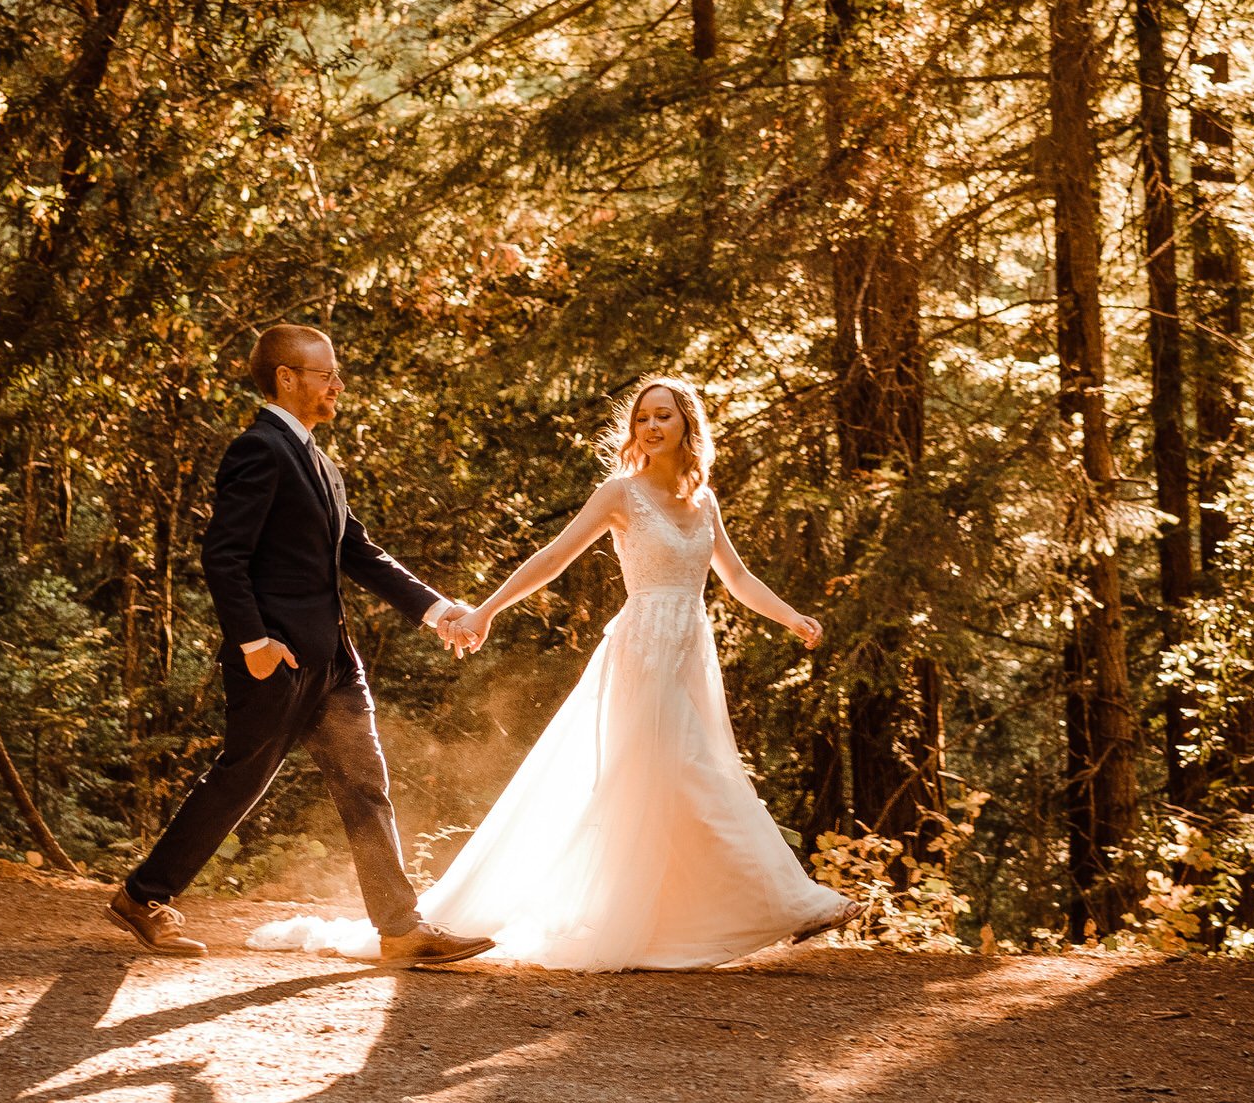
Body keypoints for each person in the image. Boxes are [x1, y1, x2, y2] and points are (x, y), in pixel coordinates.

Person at [251, 375, 860, 971]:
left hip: (689, 654)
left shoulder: (702, 500)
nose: (650, 426)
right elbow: (553, 557)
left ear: (687, 426)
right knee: (701, 773)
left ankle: (674, 918)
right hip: (642, 654)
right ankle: (792, 903)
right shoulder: (621, 494)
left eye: (664, 416)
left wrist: (791, 616)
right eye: (642, 417)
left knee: (676, 784)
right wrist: (485, 609)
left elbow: (737, 576)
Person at [109, 324, 494, 966]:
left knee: (366, 787)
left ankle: (402, 931)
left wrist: (438, 609)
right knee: (240, 781)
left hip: (335, 665)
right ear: (288, 378)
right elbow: (223, 556)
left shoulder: (321, 462)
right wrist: (254, 640)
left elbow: (358, 554)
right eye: (327, 373)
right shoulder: (258, 450)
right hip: (276, 661)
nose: (337, 384)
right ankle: (142, 896)